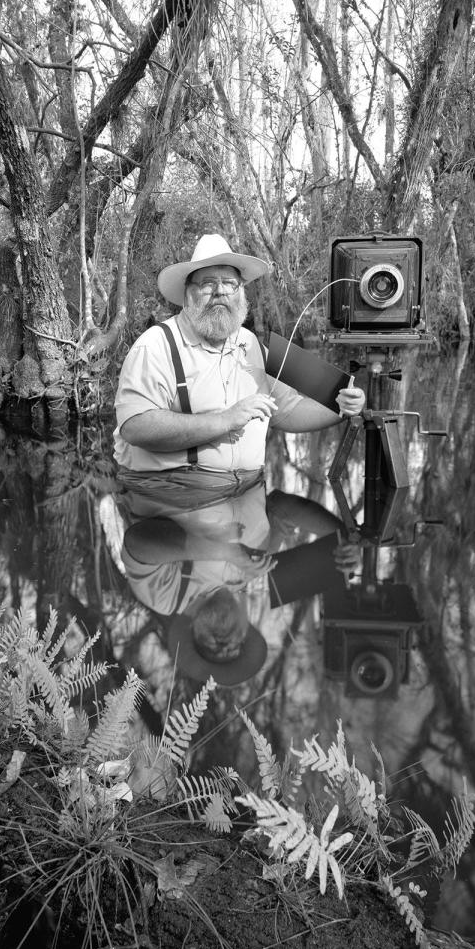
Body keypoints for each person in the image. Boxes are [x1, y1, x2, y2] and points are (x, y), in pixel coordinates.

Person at [113, 233, 366, 501]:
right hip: (174, 492)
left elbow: (287, 411)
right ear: (187, 295)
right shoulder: (155, 346)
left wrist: (341, 407)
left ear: (241, 293)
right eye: (208, 283)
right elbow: (135, 426)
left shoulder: (251, 344)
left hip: (249, 491)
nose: (220, 291)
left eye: (230, 284)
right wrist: (226, 419)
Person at [118, 479, 360, 687]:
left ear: (192, 631)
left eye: (211, 648)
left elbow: (137, 542)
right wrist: (340, 537)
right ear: (247, 624)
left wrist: (224, 552)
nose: (223, 643)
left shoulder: (166, 598)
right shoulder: (255, 568)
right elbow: (283, 508)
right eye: (236, 645)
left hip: (165, 461)